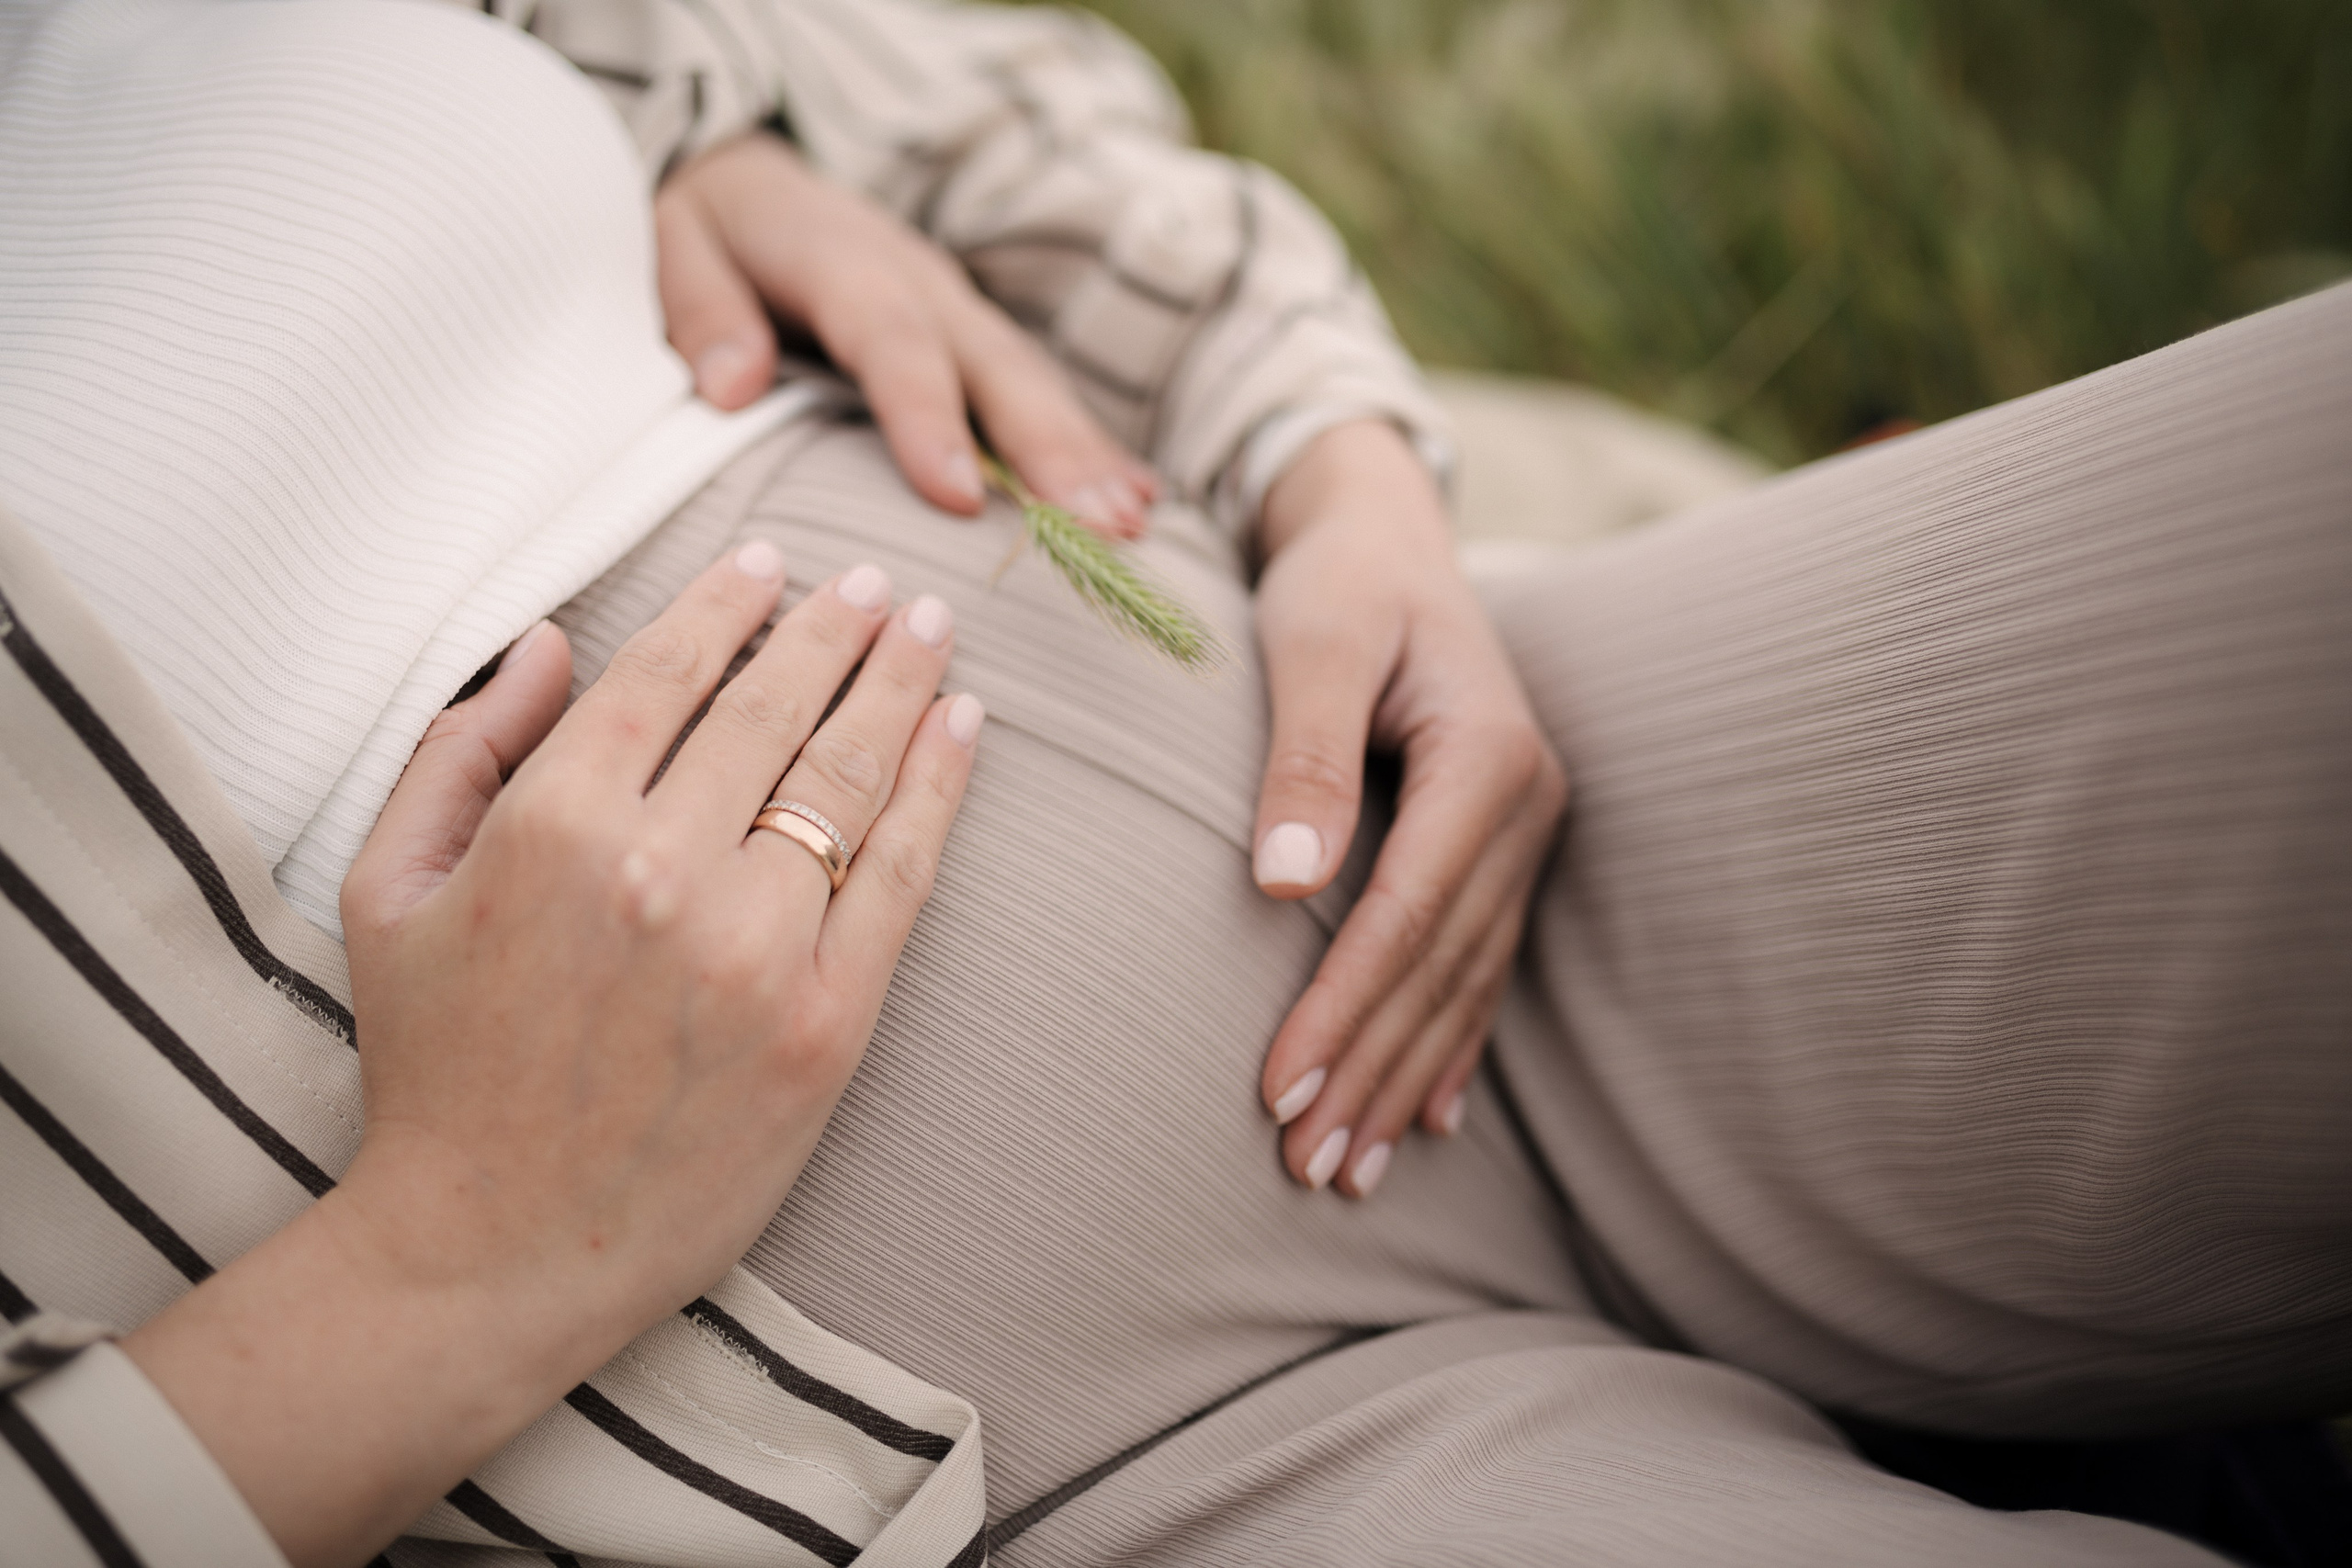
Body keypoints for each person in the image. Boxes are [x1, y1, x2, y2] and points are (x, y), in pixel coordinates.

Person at [0, 4, 2345, 1567]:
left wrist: (1337, 470)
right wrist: (457, 1256)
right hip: (1095, 1459)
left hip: (1521, 783)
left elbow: (972, 84)